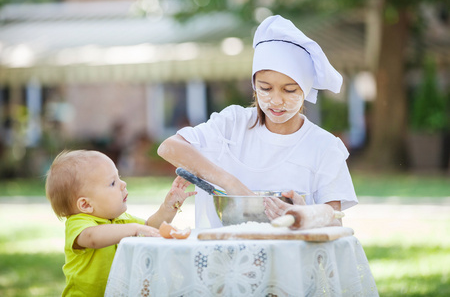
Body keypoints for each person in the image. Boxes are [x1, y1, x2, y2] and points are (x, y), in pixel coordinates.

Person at [157, 15, 358, 228]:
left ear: (305, 89)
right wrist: (231, 184)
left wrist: (305, 214)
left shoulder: (324, 147)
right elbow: (169, 148)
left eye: (289, 90)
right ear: (254, 85)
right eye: (265, 88)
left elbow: (334, 218)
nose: (276, 100)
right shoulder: (232, 124)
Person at [45, 150, 196, 296]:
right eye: (112, 183)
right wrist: (133, 229)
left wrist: (168, 207)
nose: (123, 184)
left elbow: (149, 228)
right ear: (85, 205)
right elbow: (92, 237)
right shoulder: (78, 223)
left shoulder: (120, 220)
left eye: (119, 177)